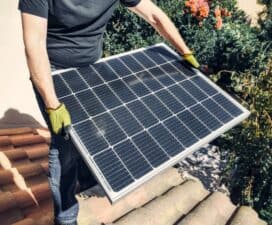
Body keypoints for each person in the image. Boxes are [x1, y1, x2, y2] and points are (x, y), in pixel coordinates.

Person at [19, 0, 200, 224]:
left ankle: (85, 178)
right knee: (63, 144)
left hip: (91, 68)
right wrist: (51, 102)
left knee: (89, 128)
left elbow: (153, 15)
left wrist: (184, 50)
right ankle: (65, 216)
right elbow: (34, 44)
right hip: (53, 72)